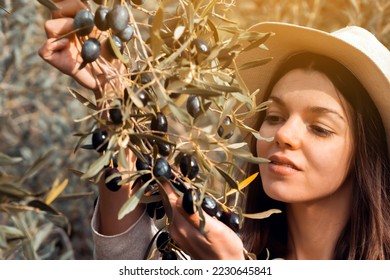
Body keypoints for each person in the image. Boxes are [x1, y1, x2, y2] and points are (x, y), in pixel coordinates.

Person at [39, 1, 390, 260]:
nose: (284, 135)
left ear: (367, 151)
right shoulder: (233, 247)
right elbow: (125, 257)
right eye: (273, 115)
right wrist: (113, 92)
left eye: (320, 127)